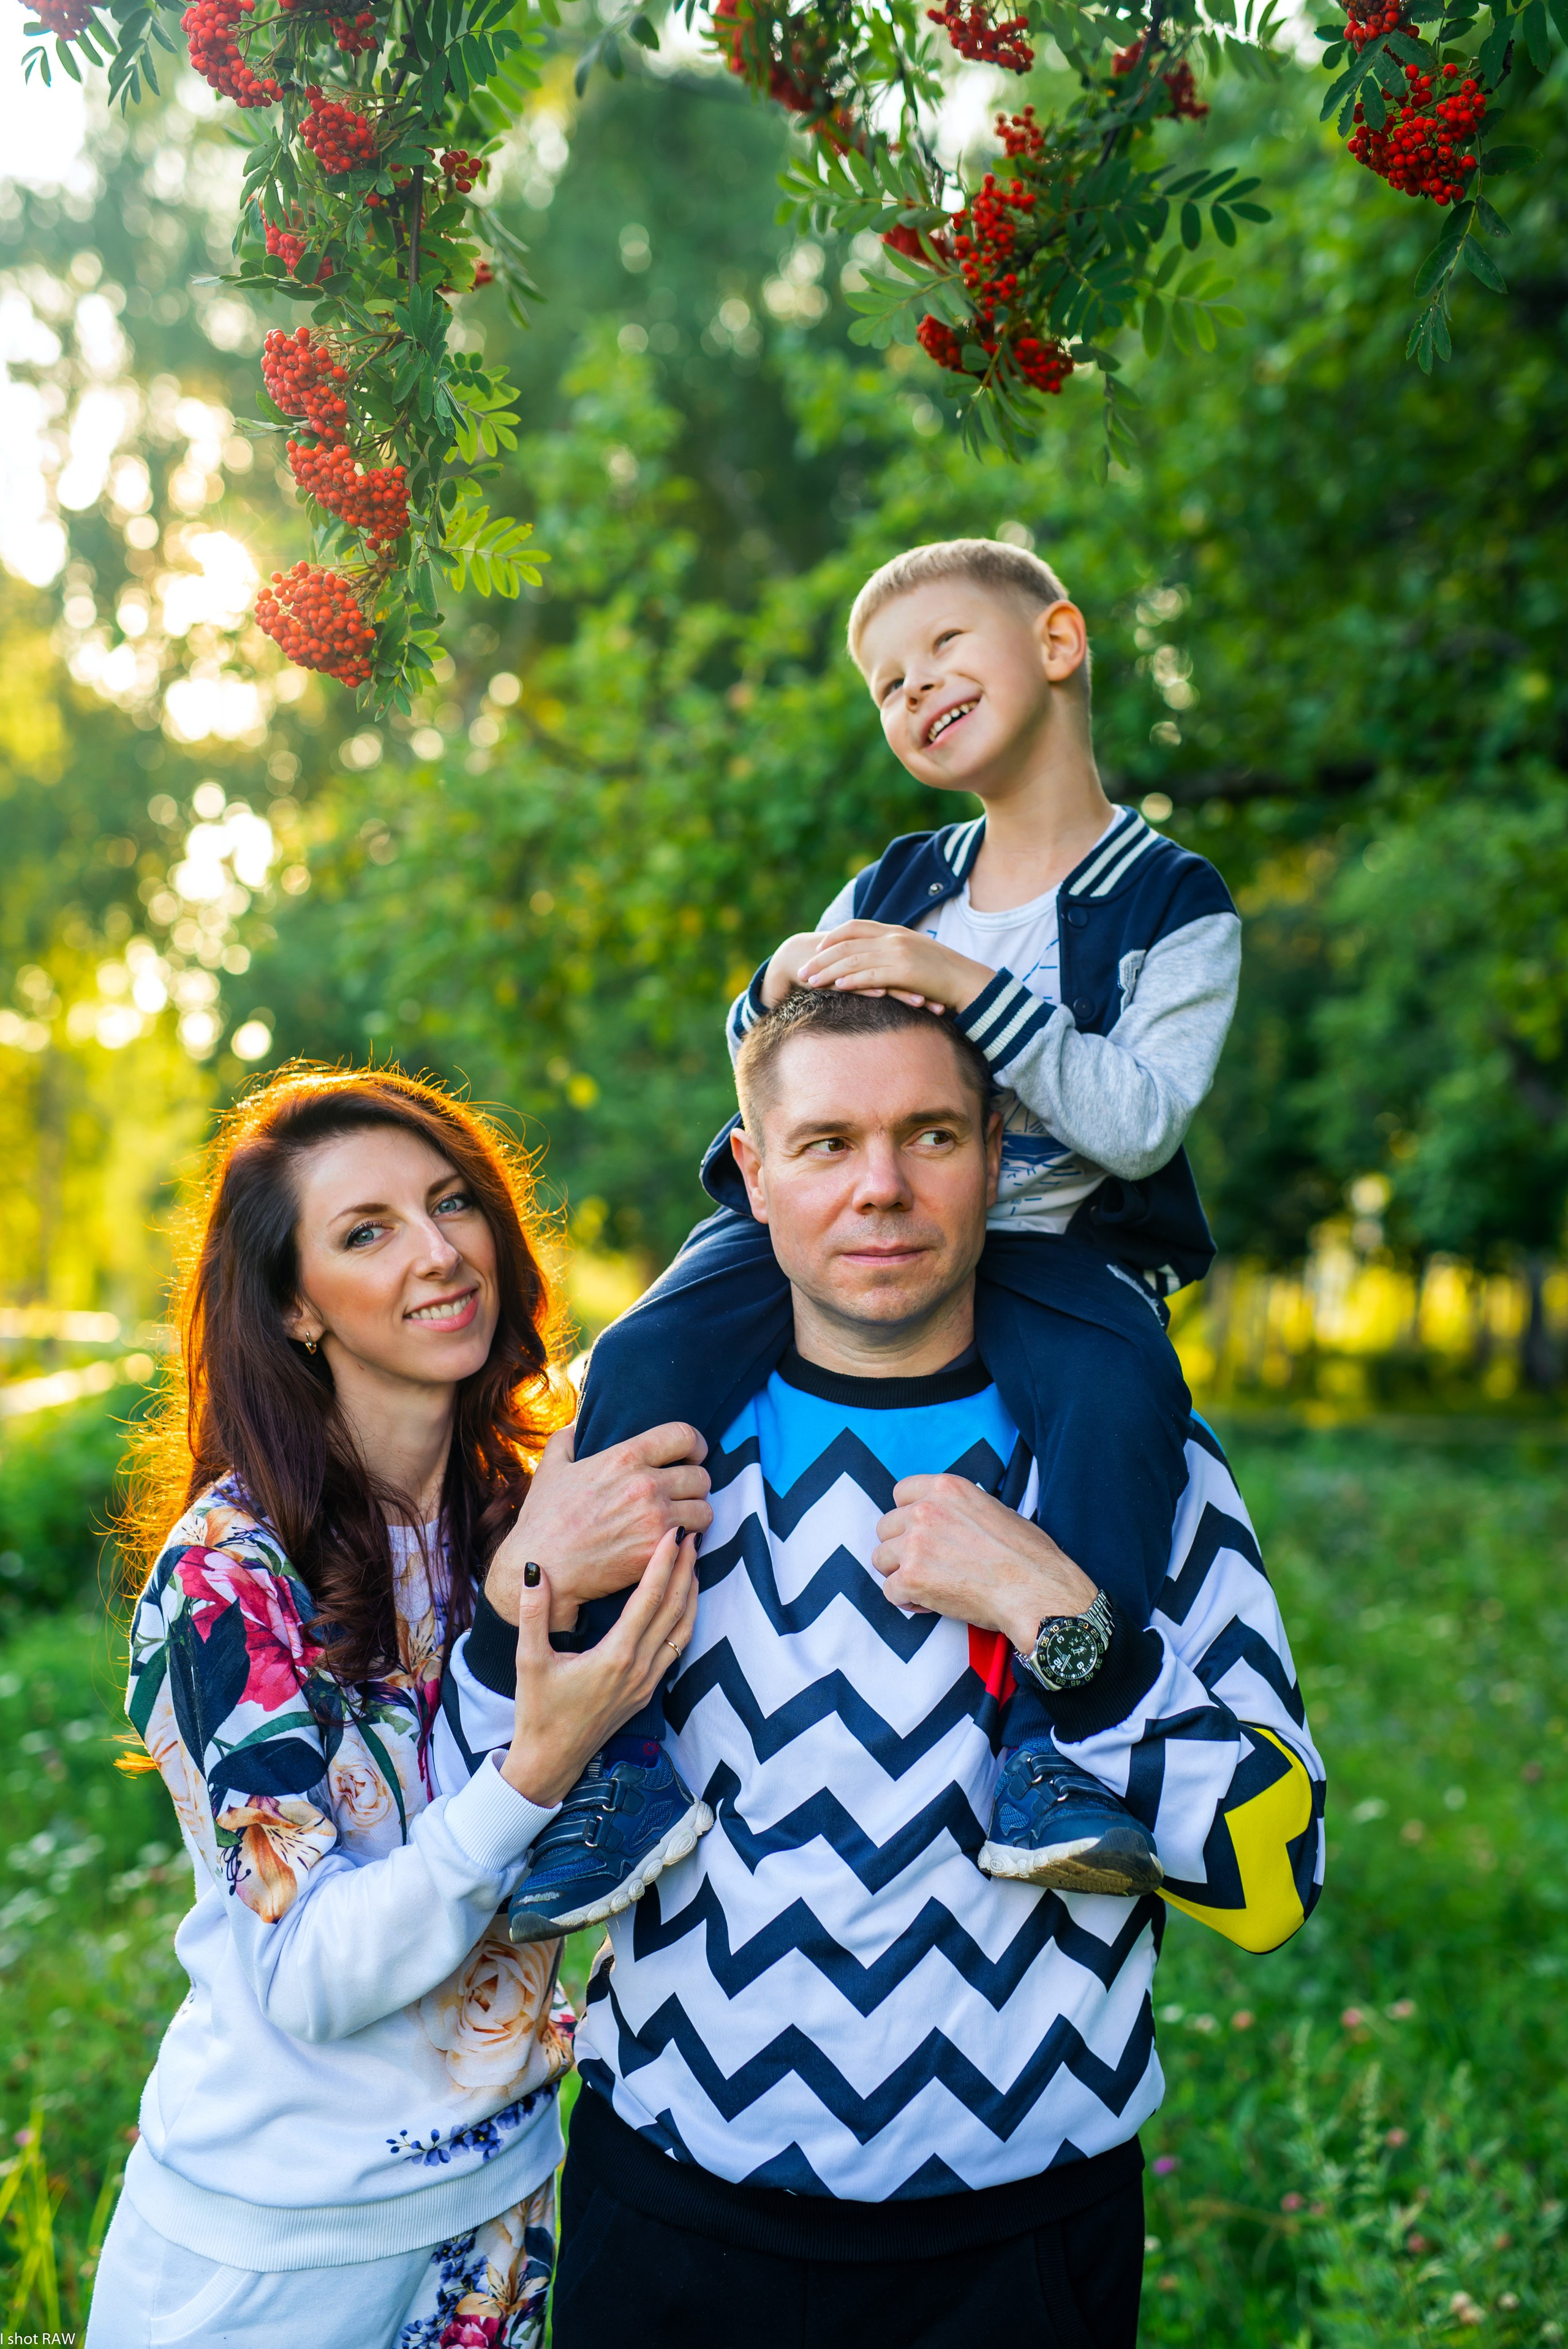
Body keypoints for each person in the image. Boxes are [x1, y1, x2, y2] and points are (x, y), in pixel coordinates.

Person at [462, 989, 1324, 2349]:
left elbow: (1276, 1878)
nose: (879, 1187)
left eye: (928, 1134)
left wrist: (1065, 1626)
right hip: (670, 2222)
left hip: (1017, 2251)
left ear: (997, 1153)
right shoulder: (628, 1452)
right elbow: (465, 1845)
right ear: (750, 1173)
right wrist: (522, 1592)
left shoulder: (1141, 1456)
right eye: (824, 1143)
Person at [506, 535, 1241, 1942]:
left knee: (1119, 1384)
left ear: (1058, 641)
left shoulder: (1170, 903)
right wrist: (766, 991)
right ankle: (618, 1751)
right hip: (845, 1223)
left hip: (1050, 1239)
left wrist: (957, 987)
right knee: (649, 1346)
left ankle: (1050, 1751)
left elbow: (1138, 1122)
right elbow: (773, 1056)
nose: (914, 694)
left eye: (942, 654)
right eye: (886, 685)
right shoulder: (894, 880)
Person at [89, 1068, 715, 2349]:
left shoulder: (538, 1512)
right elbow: (313, 1973)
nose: (438, 1254)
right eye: (366, 1232)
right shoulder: (228, 1579)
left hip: (498, 2217)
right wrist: (534, 1764)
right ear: (293, 1306)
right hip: (275, 2252)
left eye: (450, 1204)